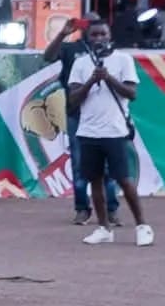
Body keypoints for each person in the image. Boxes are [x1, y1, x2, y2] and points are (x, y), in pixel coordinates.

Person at [67, 21, 153, 246]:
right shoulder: (80, 63)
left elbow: (131, 93)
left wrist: (108, 78)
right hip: (88, 132)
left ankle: (143, 226)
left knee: (124, 179)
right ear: (88, 37)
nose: (98, 38)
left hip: (115, 131)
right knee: (94, 181)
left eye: (102, 34)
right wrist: (91, 80)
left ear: (109, 35)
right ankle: (104, 228)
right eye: (94, 35)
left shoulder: (123, 60)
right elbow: (73, 99)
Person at [43, 14, 121, 225]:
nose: (97, 35)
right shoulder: (72, 49)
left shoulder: (113, 54)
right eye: (88, 26)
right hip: (77, 113)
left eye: (100, 29)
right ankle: (82, 208)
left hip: (105, 114)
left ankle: (111, 209)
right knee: (79, 164)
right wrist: (63, 34)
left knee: (109, 166)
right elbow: (48, 57)